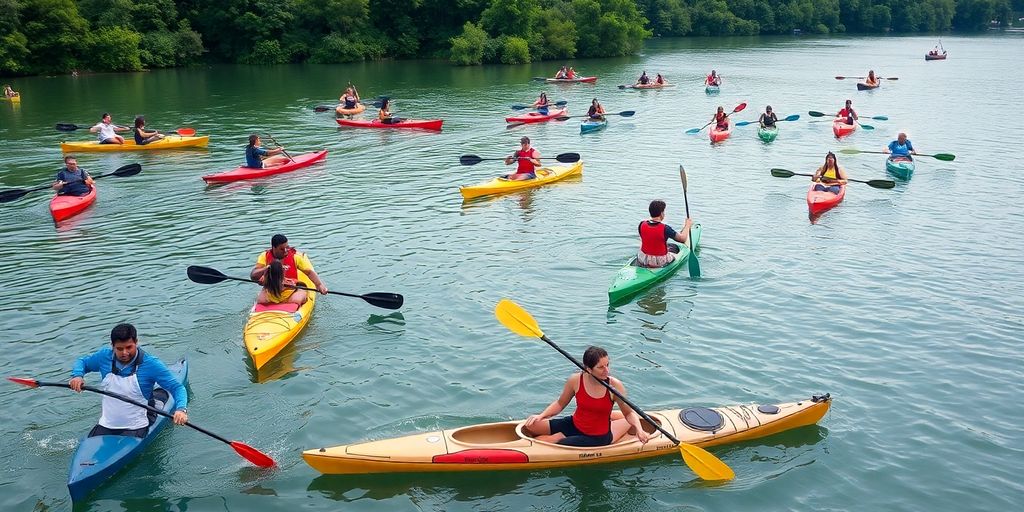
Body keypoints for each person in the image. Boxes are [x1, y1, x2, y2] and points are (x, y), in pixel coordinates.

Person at [69, 323, 188, 438]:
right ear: (112, 346)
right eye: (119, 349)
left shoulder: (151, 364)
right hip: (107, 422)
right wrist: (77, 376)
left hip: (138, 423)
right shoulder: (104, 357)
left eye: (129, 347)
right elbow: (82, 362)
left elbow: (177, 388)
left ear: (136, 342)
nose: (124, 353)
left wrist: (181, 410)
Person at [523, 346, 650, 447]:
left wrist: (639, 429)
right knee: (531, 426)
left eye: (607, 365)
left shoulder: (614, 386)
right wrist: (541, 416)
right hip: (575, 423)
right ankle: (610, 418)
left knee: (556, 441)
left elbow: (628, 413)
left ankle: (560, 436)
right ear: (588, 369)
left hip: (597, 437)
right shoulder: (576, 380)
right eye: (601, 367)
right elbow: (560, 403)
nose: (607, 370)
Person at [250, 234, 329, 306]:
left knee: (296, 300)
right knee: (261, 300)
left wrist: (319, 285)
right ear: (274, 248)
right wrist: (266, 269)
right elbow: (253, 275)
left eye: (287, 247)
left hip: (292, 289)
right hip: (273, 289)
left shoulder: (295, 257)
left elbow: (309, 273)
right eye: (281, 249)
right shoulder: (264, 256)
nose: (285, 251)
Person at [636, 199, 693, 268]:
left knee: (671, 246)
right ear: (661, 213)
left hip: (642, 258)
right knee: (675, 249)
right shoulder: (665, 228)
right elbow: (682, 239)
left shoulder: (641, 224)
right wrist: (687, 225)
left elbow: (650, 238)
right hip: (659, 261)